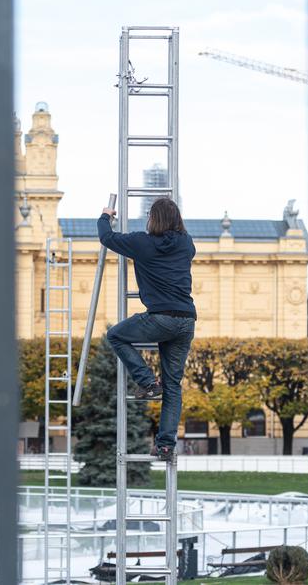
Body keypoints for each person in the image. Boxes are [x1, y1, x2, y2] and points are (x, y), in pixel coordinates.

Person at [98, 198, 196, 462]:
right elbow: (185, 250)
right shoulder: (186, 244)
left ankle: (147, 382)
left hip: (161, 318)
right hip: (187, 319)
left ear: (153, 219)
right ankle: (165, 446)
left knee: (115, 335)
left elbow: (107, 238)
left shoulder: (142, 243)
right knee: (173, 387)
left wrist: (106, 215)